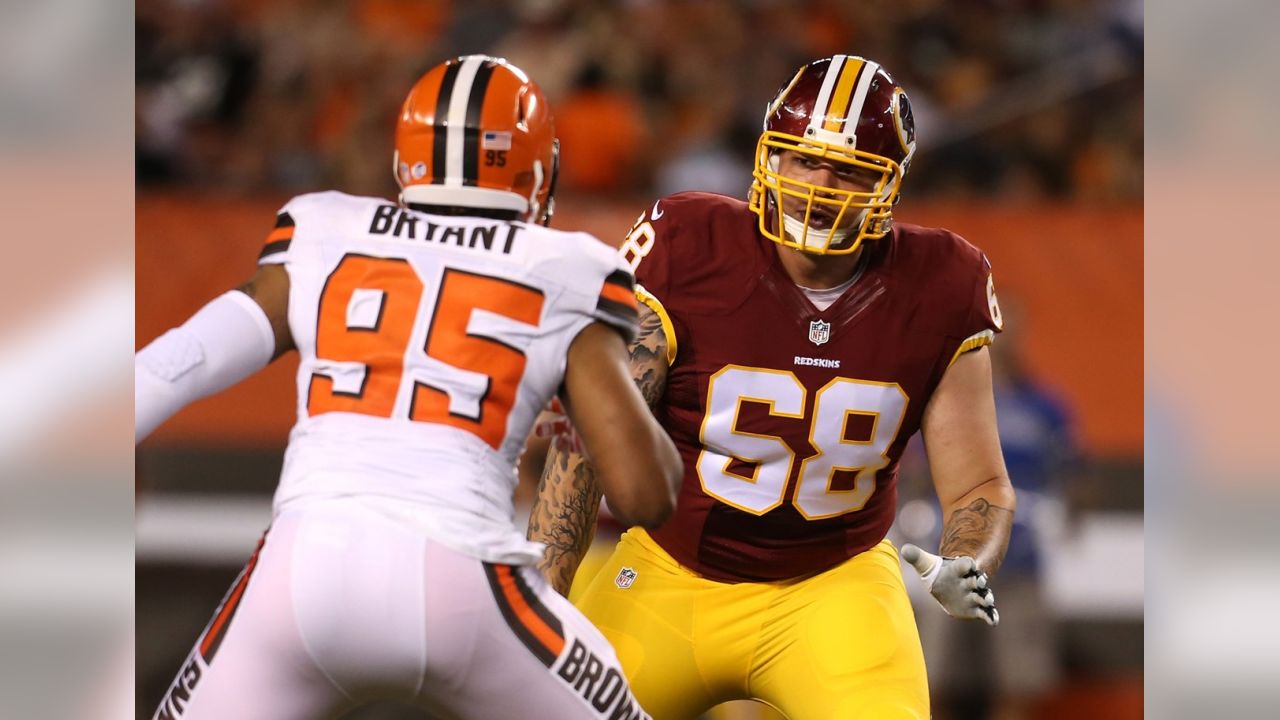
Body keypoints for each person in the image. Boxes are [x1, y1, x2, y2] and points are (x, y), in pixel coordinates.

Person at [136, 54, 681, 720]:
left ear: (405, 164)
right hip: (461, 582)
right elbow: (642, 493)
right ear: (537, 173)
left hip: (302, 573)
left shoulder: (322, 229)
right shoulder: (568, 267)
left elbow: (179, 361)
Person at [528, 54, 1016, 720]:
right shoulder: (689, 244)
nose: (818, 183)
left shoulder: (944, 283)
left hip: (834, 583)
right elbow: (588, 436)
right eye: (802, 159)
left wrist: (967, 558)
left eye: (848, 170)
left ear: (890, 186)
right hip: (670, 573)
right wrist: (544, 596)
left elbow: (980, 486)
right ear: (769, 157)